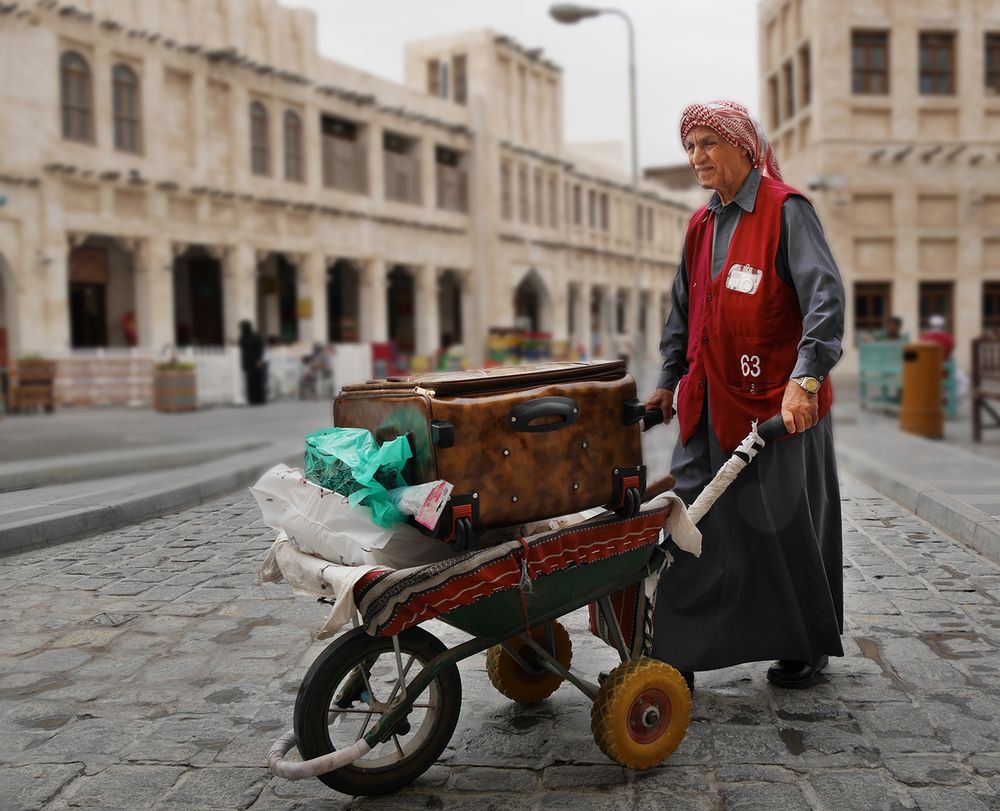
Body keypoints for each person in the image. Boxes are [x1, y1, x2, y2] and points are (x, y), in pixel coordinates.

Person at [644, 100, 846, 690]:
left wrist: (805, 381)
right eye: (690, 146)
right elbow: (684, 311)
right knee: (688, 517)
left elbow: (824, 301)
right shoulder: (701, 225)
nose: (697, 157)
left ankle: (803, 643)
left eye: (708, 143)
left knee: (780, 528)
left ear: (743, 147)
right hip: (708, 402)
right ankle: (675, 644)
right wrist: (665, 382)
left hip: (776, 409)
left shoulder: (787, 211)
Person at [239, 320, 266, 405]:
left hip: (255, 362)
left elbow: (260, 348)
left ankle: (258, 399)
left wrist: (259, 359)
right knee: (251, 382)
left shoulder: (254, 337)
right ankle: (253, 399)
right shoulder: (243, 337)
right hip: (249, 362)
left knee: (256, 381)